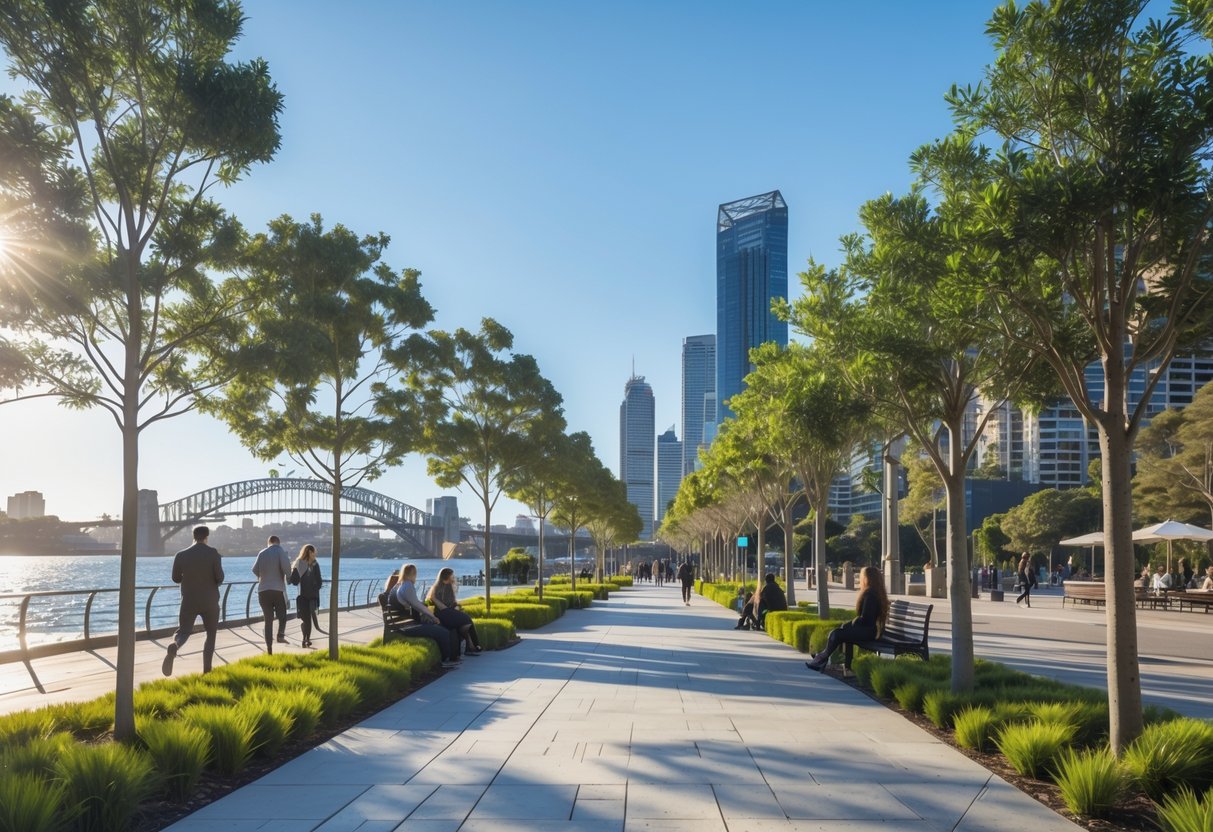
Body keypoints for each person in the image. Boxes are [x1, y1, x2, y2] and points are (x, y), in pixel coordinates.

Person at [163, 526, 224, 676]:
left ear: (193, 536)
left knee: (183, 631)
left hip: (189, 599)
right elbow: (220, 577)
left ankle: (175, 645)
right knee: (211, 635)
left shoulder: (181, 555)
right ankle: (207, 671)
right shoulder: (213, 553)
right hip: (210, 601)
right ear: (207, 537)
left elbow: (175, 578)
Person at [806, 565, 890, 672]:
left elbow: (866, 619)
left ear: (867, 578)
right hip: (869, 630)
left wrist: (851, 624)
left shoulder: (870, 595)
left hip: (868, 632)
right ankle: (836, 663)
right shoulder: (875, 592)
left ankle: (822, 658)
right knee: (841, 632)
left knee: (837, 633)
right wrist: (849, 625)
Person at [389, 563, 460, 668]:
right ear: (413, 573)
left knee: (445, 628)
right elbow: (417, 604)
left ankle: (453, 656)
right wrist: (433, 616)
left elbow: (414, 604)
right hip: (407, 626)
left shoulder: (399, 585)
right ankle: (446, 660)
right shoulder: (407, 586)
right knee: (443, 631)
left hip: (403, 623)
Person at [427, 566, 482, 656]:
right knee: (467, 619)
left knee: (465, 624)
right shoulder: (437, 588)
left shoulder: (450, 586)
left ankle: (471, 646)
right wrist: (450, 610)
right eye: (452, 576)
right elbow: (440, 607)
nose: (454, 577)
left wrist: (456, 606)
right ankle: (474, 645)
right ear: (446, 576)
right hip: (442, 614)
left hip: (450, 612)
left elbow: (453, 602)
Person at [252, 535, 292, 653]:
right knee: (282, 615)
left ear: (268, 542)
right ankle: (280, 635)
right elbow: (287, 569)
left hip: (263, 591)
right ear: (278, 543)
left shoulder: (262, 552)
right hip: (277, 590)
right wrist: (288, 578)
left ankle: (269, 648)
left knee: (268, 620)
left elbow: (254, 569)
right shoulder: (281, 551)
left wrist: (261, 577)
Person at [289, 544, 324, 648]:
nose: (315, 554)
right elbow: (294, 581)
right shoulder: (299, 563)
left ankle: (306, 639)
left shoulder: (315, 564)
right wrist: (296, 571)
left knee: (308, 620)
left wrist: (315, 587)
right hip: (302, 596)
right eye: (314, 552)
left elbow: (319, 581)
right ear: (309, 552)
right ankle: (305, 638)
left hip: (312, 597)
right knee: (306, 620)